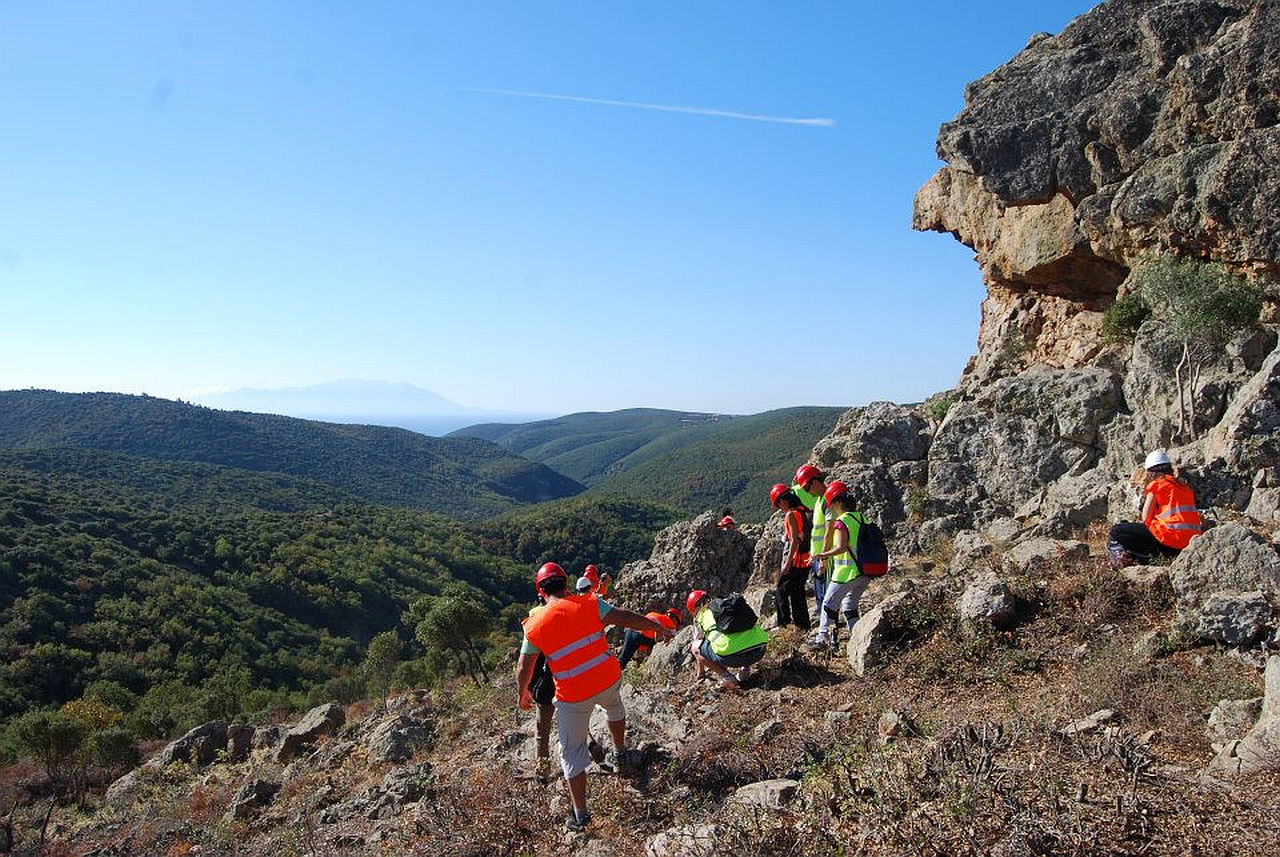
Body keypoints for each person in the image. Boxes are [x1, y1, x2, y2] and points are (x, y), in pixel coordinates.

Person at [516, 562, 673, 831]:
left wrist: (523, 693)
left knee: (571, 751)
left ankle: (580, 815)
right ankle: (620, 753)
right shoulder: (589, 603)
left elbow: (524, 667)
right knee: (614, 707)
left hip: (573, 694)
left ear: (540, 591)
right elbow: (625, 617)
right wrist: (657, 627)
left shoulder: (534, 625)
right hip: (606, 678)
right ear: (566, 585)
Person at [1107, 450, 1204, 568]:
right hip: (1188, 545)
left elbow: (1146, 517)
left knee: (1117, 530)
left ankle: (1121, 560)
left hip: (1169, 539)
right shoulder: (1184, 487)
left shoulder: (1157, 484)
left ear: (1150, 472)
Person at [809, 480, 871, 648]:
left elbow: (841, 547)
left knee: (828, 604)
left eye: (831, 504)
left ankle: (822, 638)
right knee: (849, 607)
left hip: (846, 573)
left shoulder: (842, 521)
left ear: (837, 503)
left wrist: (823, 555)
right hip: (864, 573)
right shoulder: (861, 518)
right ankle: (858, 637)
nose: (831, 508)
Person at [686, 589, 769, 692]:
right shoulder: (727, 604)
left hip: (733, 658)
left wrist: (701, 673)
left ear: (694, 609)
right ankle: (745, 671)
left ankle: (727, 677)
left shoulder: (701, 616)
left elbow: (699, 647)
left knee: (695, 647)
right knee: (740, 633)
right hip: (759, 650)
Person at [769, 483, 812, 630]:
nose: (780, 508)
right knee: (797, 593)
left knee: (781, 591)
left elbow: (794, 540)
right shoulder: (803, 511)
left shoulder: (791, 514)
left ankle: (784, 623)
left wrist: (787, 564)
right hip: (805, 560)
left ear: (783, 501)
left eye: (778, 504)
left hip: (795, 561)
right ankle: (803, 625)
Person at [523, 601, 557, 784]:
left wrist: (524, 691)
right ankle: (592, 748)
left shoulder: (535, 619)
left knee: (542, 732)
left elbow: (525, 665)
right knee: (578, 721)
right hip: (569, 680)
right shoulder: (566, 615)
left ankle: (542, 773)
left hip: (545, 686)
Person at [792, 464, 830, 619]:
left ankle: (826, 632)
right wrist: (813, 555)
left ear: (815, 482)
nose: (807, 492)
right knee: (820, 594)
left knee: (826, 596)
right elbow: (817, 533)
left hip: (824, 558)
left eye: (807, 488)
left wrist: (824, 558)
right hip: (817, 556)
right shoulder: (820, 500)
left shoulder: (827, 500)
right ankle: (824, 628)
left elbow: (829, 532)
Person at [617, 607, 682, 668]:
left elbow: (653, 629)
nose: (675, 625)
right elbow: (671, 636)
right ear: (674, 619)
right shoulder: (670, 623)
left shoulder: (653, 614)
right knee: (657, 643)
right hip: (641, 637)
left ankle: (612, 673)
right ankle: (642, 658)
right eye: (677, 623)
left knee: (622, 660)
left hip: (631, 631)